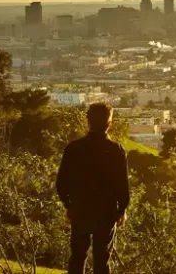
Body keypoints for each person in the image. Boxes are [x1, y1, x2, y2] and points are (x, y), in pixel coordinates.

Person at [56, 103, 130, 274]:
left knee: (77, 257)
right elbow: (122, 185)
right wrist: (122, 209)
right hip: (107, 212)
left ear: (88, 121)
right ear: (109, 124)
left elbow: (61, 183)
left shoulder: (73, 148)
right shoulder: (116, 150)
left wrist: (68, 204)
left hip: (80, 209)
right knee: (102, 259)